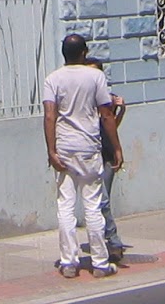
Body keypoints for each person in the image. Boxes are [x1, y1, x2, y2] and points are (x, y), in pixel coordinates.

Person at [43, 33, 122, 280]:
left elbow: (49, 116)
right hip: (89, 148)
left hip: (64, 149)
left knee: (65, 206)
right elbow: (107, 115)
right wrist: (117, 147)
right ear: (84, 53)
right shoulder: (96, 77)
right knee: (93, 205)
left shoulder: (52, 79)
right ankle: (100, 263)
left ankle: (68, 262)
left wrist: (51, 151)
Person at [86, 57, 128, 262]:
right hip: (91, 153)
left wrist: (120, 109)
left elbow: (112, 126)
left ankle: (110, 241)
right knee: (101, 201)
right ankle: (113, 240)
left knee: (104, 200)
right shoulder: (84, 100)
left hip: (107, 154)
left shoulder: (108, 98)